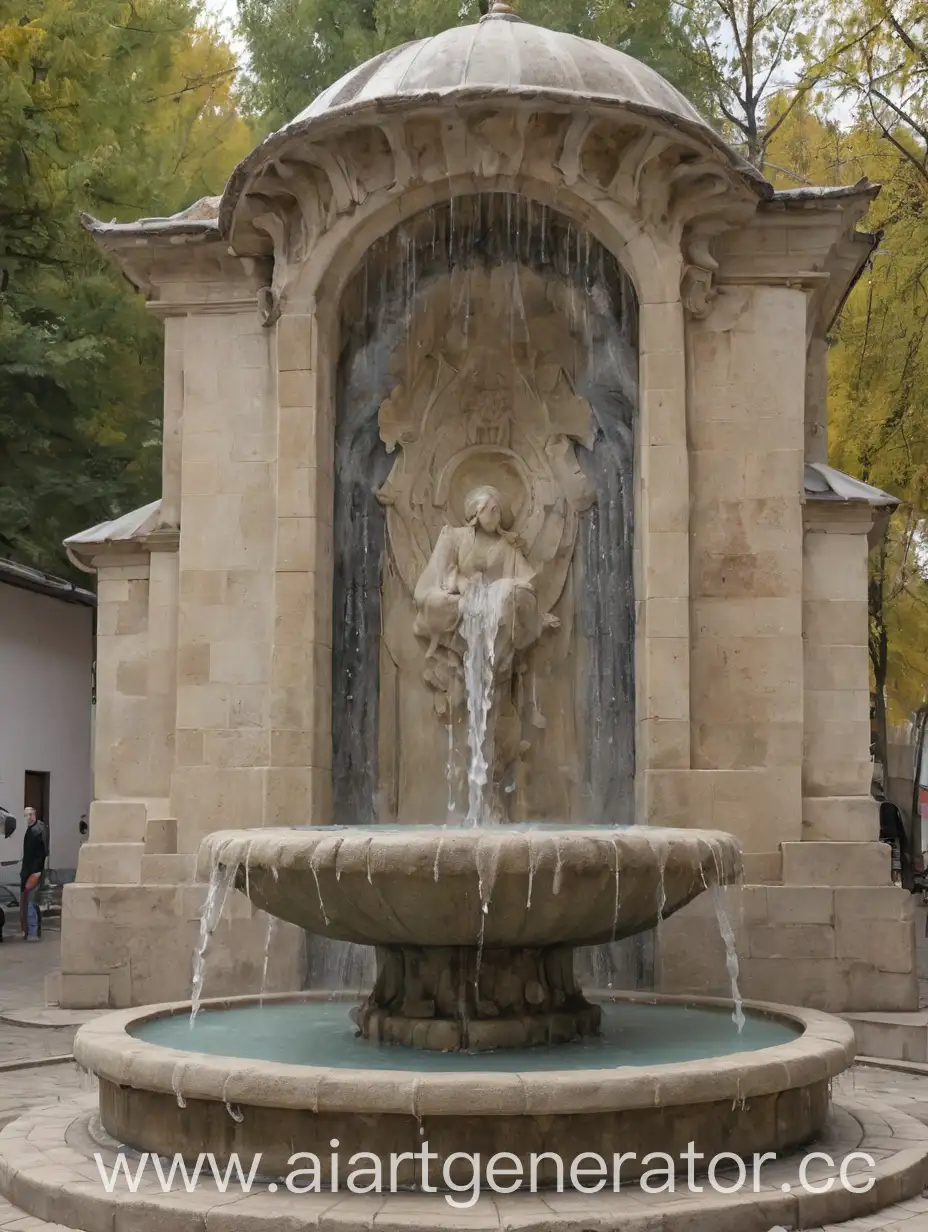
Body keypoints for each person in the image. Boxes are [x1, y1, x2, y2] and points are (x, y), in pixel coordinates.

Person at [19, 807, 46, 942]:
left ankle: (33, 933)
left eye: (31, 814)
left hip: (34, 873)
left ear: (35, 815)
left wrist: (36, 872)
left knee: (30, 903)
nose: (29, 817)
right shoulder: (31, 831)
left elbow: (41, 855)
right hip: (29, 872)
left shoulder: (38, 831)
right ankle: (31, 931)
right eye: (27, 815)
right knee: (30, 903)